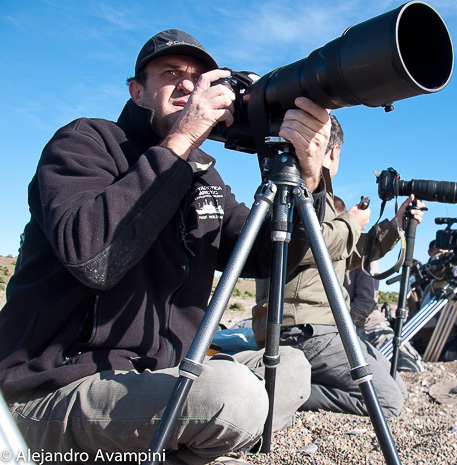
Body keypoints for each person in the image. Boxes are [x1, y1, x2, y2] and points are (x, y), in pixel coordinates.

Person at [0, 29, 331, 463]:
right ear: (138, 91)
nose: (189, 86)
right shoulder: (85, 143)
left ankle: (177, 446)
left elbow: (267, 257)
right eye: (171, 74)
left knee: (290, 369)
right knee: (234, 398)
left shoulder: (204, 178)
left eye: (200, 78)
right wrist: (180, 144)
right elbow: (93, 256)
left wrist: (307, 180)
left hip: (160, 377)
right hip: (55, 388)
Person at [252, 115, 425, 418]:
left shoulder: (319, 195)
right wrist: (351, 222)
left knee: (398, 385)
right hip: (302, 328)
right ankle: (280, 390)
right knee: (387, 402)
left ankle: (294, 382)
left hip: (324, 327)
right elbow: (304, 247)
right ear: (332, 152)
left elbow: (348, 253)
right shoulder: (291, 188)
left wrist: (396, 225)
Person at [339, 196, 423, 373]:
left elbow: (365, 302)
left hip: (366, 326)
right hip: (340, 326)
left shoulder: (361, 251)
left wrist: (340, 326)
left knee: (410, 366)